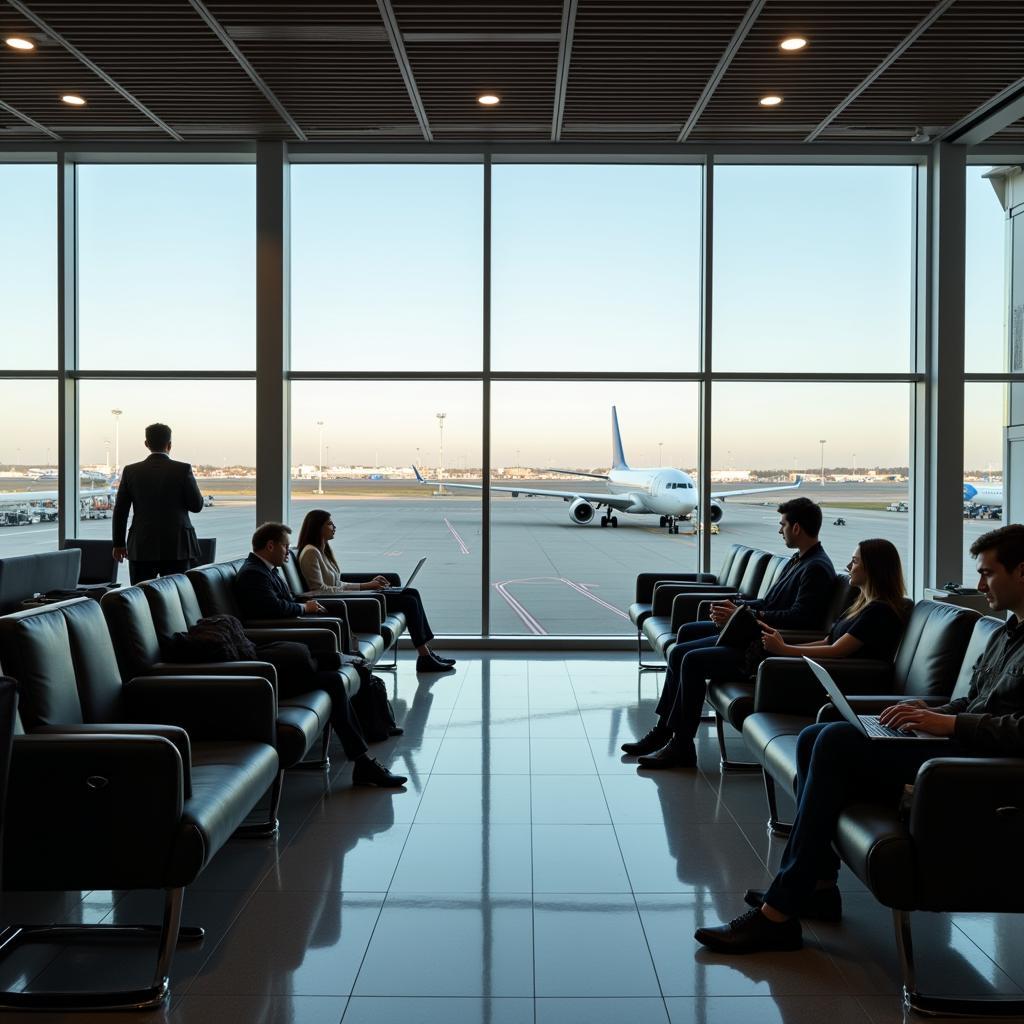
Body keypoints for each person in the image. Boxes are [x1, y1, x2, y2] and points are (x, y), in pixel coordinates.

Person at [695, 523, 1024, 954]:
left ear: (1022, 572)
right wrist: (932, 711)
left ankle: (779, 912)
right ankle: (817, 885)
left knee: (832, 742)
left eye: (988, 573)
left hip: (975, 767)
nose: (979, 585)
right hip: (955, 743)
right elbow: (975, 700)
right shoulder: (1005, 633)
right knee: (815, 736)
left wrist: (951, 725)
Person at [623, 497, 836, 769]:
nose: (779, 530)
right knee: (684, 639)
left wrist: (745, 615)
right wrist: (738, 607)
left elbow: (801, 619)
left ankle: (681, 745)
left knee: (689, 659)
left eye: (782, 525)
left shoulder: (816, 568)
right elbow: (770, 603)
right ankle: (665, 729)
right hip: (751, 633)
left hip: (760, 648)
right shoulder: (800, 560)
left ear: (796, 528)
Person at [234, 522, 407, 789]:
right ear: (270, 546)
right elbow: (270, 609)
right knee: (336, 679)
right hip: (274, 653)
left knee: (346, 669)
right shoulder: (253, 575)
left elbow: (283, 601)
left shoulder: (265, 570)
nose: (287, 553)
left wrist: (301, 606)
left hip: (285, 645)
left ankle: (369, 730)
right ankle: (362, 760)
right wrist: (304, 609)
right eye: (284, 546)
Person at [296, 508, 455, 674]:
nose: (334, 526)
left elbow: (337, 583)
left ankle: (427, 653)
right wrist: (365, 587)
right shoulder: (310, 553)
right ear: (317, 528)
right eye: (329, 523)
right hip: (342, 603)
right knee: (409, 601)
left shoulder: (322, 552)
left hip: (346, 596)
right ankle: (425, 657)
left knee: (412, 593)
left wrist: (368, 584)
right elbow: (319, 591)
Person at [759, 538, 909, 663]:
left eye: (855, 561)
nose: (848, 566)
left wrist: (784, 650)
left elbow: (837, 650)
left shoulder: (879, 611)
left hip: (843, 677)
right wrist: (784, 646)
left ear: (873, 568)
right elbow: (827, 642)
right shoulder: (861, 605)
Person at [112, 422, 204, 585]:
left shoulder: (131, 471)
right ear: (169, 445)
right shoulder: (182, 469)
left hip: (142, 546)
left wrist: (118, 544)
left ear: (146, 444)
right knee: (178, 596)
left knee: (140, 598)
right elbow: (196, 506)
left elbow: (121, 511)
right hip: (177, 547)